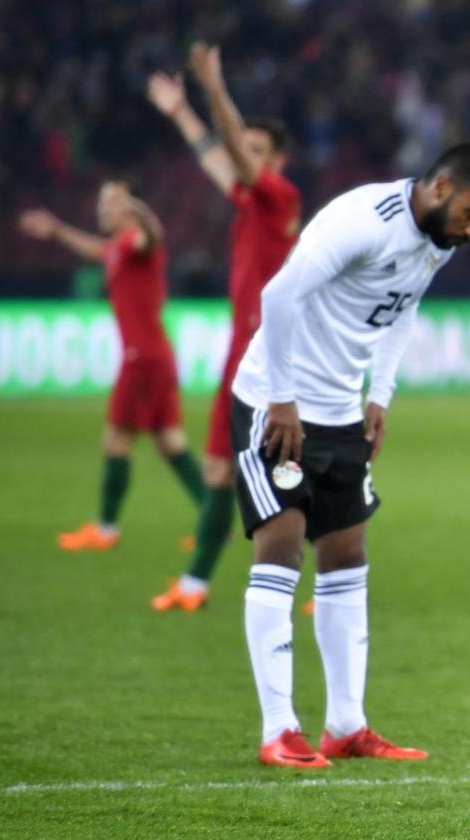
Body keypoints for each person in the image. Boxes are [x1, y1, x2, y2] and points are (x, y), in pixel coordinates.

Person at [230, 143, 470, 767]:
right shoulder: (361, 222)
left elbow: (400, 311)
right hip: (279, 402)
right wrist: (281, 399)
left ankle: (346, 726)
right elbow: (278, 297)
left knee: (346, 554)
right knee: (280, 545)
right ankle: (279, 729)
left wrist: (378, 394)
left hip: (341, 413)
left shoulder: (436, 241)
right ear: (440, 187)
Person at [145, 42, 302, 612]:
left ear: (277, 160)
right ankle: (194, 586)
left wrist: (213, 89)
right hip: (241, 354)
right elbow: (219, 160)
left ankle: (331, 577)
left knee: (292, 476)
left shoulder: (280, 195)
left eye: (257, 151)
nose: (244, 157)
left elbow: (229, 149)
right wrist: (181, 112)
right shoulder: (249, 199)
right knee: (218, 470)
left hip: (276, 359)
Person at [18, 182, 206, 550]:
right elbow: (96, 250)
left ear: (130, 210)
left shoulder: (139, 240)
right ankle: (214, 521)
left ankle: (105, 528)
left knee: (116, 440)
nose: (104, 211)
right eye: (102, 204)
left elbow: (154, 236)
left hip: (143, 360)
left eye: (112, 204)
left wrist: (135, 208)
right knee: (171, 443)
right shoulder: (119, 247)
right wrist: (57, 230)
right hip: (154, 357)